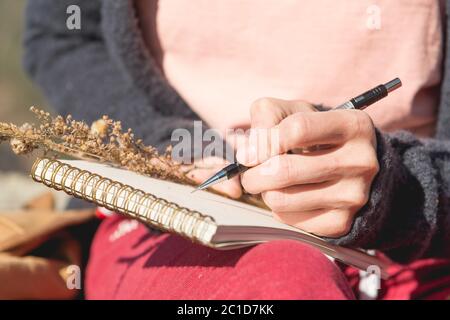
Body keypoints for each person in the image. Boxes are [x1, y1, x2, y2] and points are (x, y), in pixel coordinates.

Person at [23, 0, 450, 299]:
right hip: (175, 217)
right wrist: (162, 141)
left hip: (419, 241)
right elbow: (65, 35)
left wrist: (400, 189)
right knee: (280, 284)